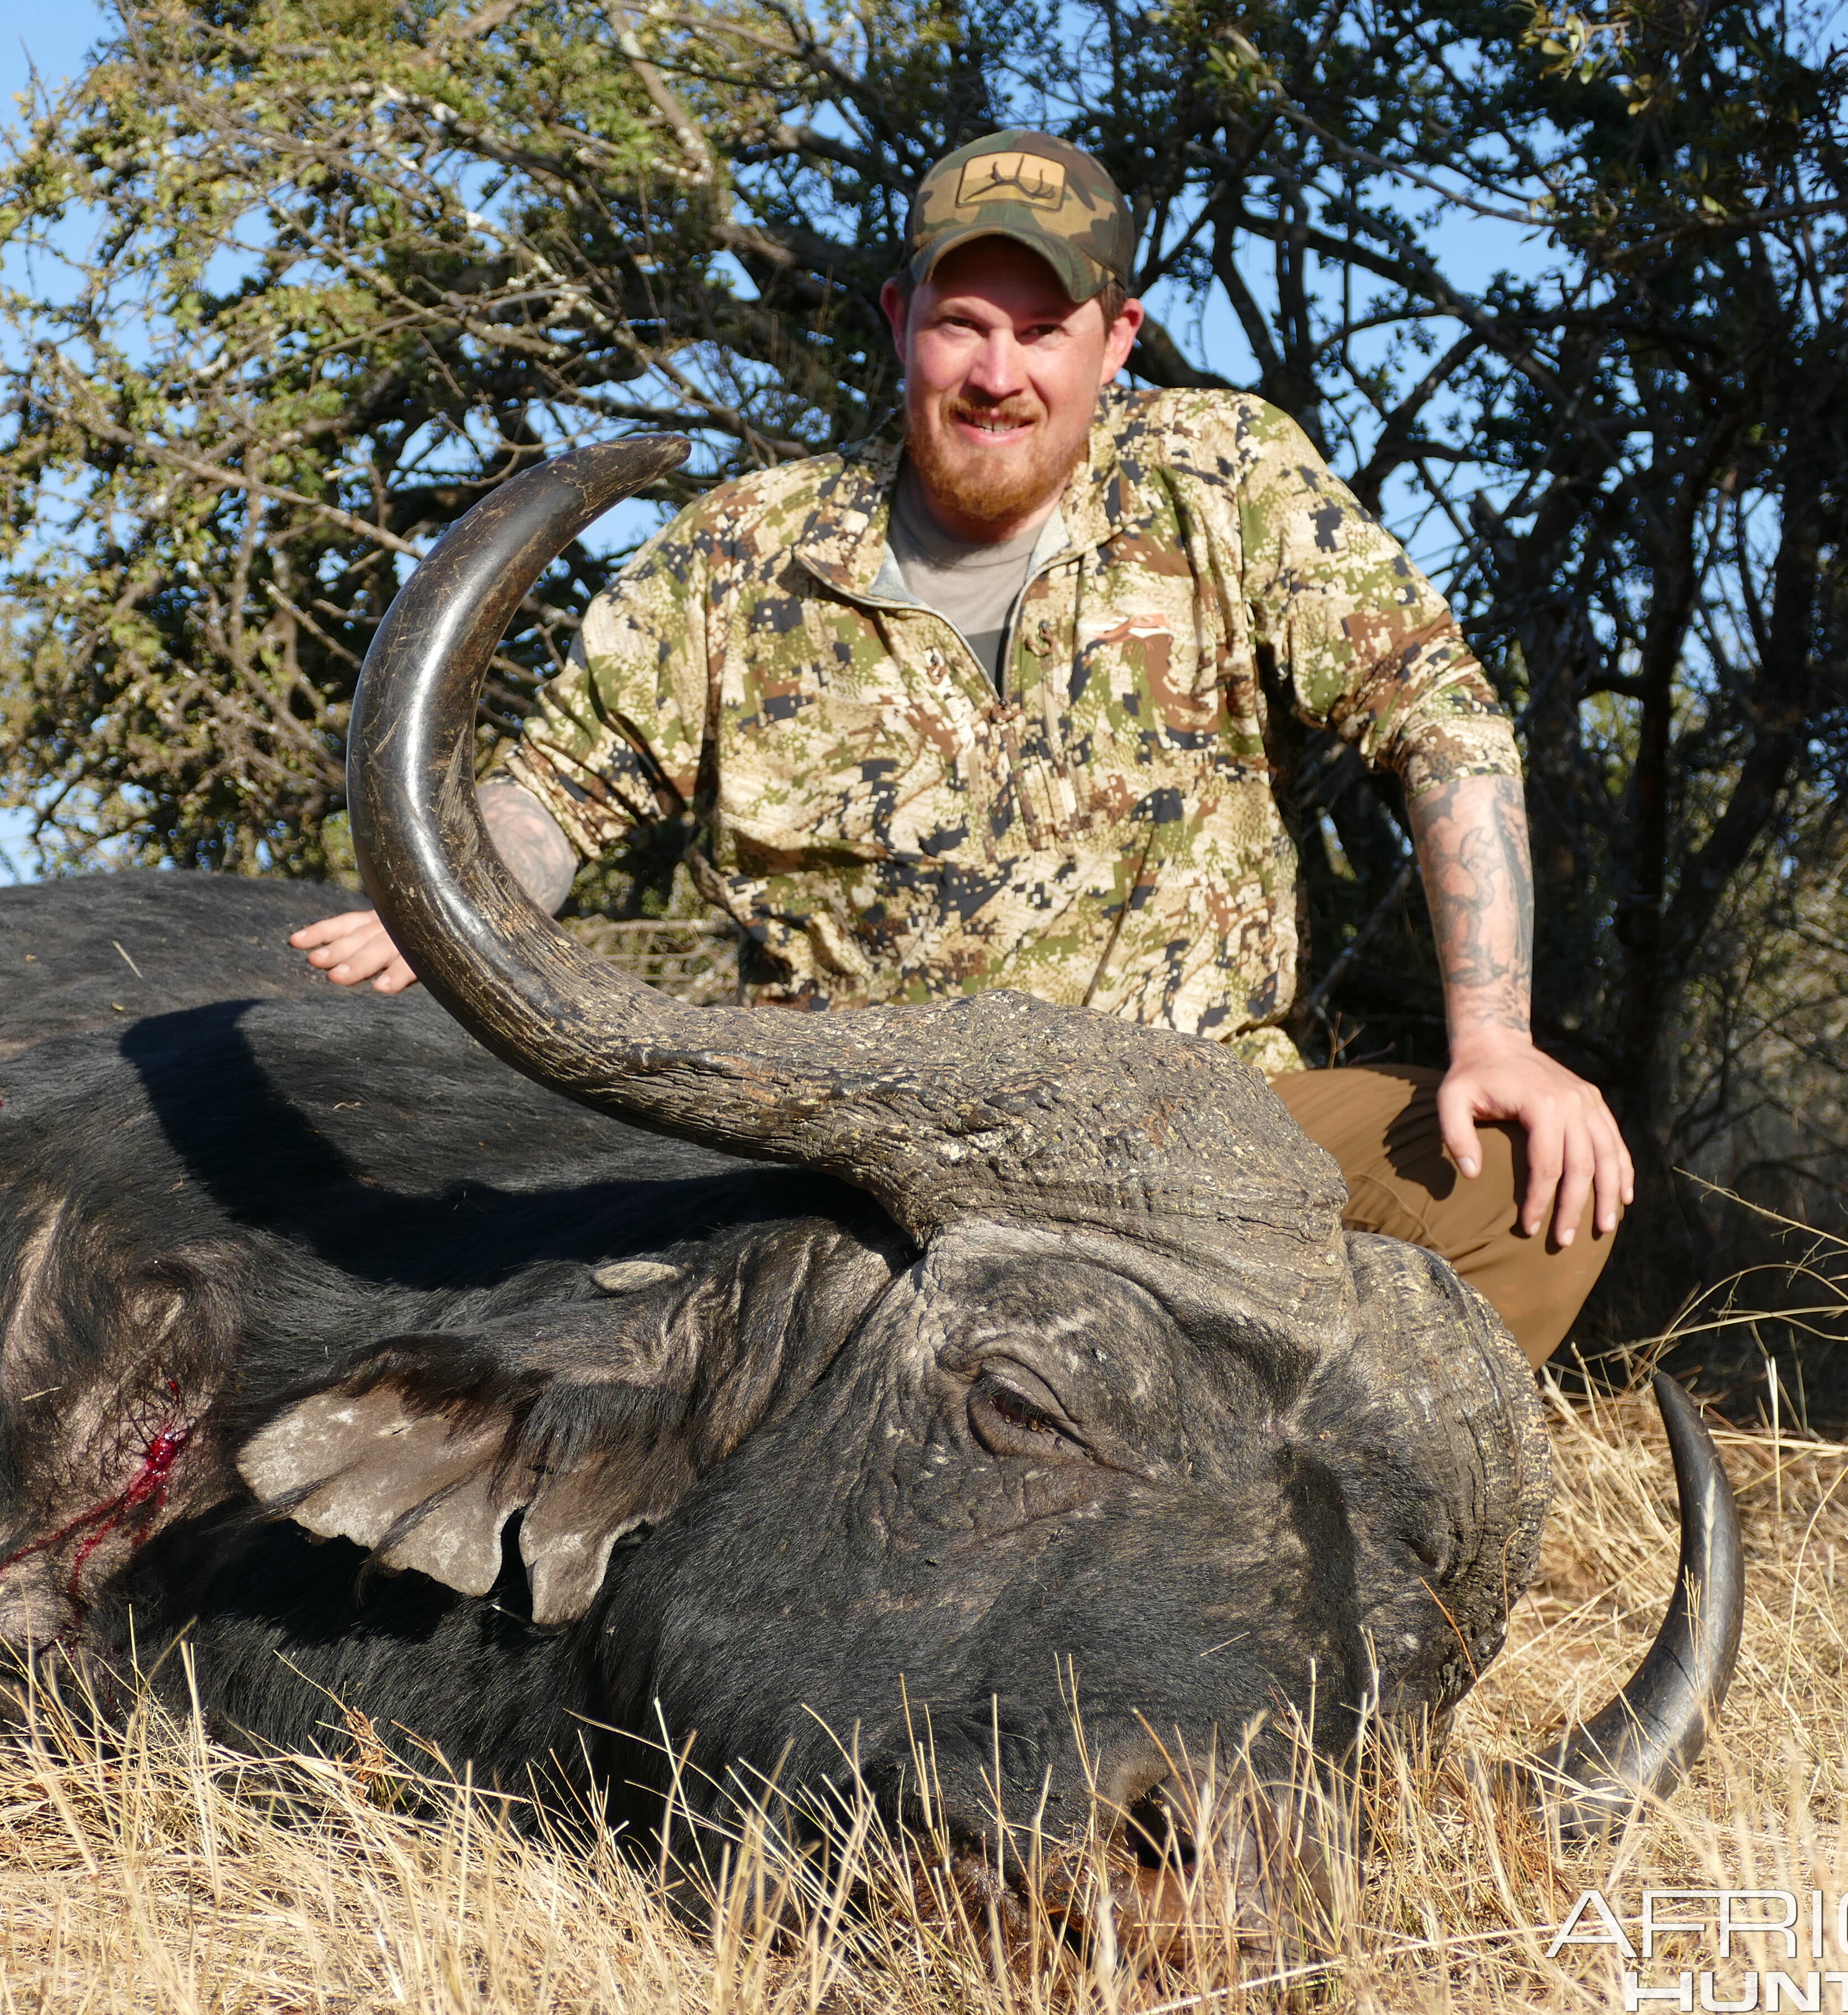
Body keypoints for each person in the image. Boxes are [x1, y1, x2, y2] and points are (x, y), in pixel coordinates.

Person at [292, 130, 1631, 1362]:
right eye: (963, 326)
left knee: (1524, 1185)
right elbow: (555, 799)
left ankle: (1280, 1537)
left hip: (1202, 1139)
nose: (999, 376)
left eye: (1045, 331)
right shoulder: (739, 552)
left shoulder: (1222, 476)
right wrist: (453, 906)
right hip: (866, 1177)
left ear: (1118, 342)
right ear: (899, 323)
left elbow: (1438, 714)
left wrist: (1498, 1041)